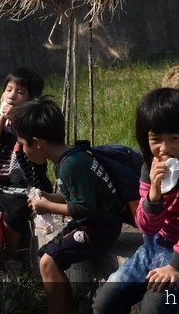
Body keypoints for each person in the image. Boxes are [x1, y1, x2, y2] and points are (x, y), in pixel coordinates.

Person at [93, 88, 179, 314]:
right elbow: (147, 226)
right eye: (156, 139)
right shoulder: (149, 167)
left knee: (154, 306)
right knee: (104, 302)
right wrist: (154, 194)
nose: (165, 148)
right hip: (156, 246)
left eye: (174, 138)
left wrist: (176, 266)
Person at [10, 99, 125, 314]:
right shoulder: (69, 157)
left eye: (23, 145)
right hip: (92, 223)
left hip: (100, 228)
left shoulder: (71, 165)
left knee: (48, 262)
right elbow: (70, 195)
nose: (23, 152)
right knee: (45, 256)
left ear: (36, 143)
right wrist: (48, 197)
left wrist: (47, 207)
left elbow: (84, 208)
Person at [0, 69, 52, 266]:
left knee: (14, 213)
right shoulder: (2, 121)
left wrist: (17, 120)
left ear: (32, 100)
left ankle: (12, 257)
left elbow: (33, 149)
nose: (12, 95)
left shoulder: (32, 123)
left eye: (20, 92)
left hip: (25, 187)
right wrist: (2, 119)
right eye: (8, 89)